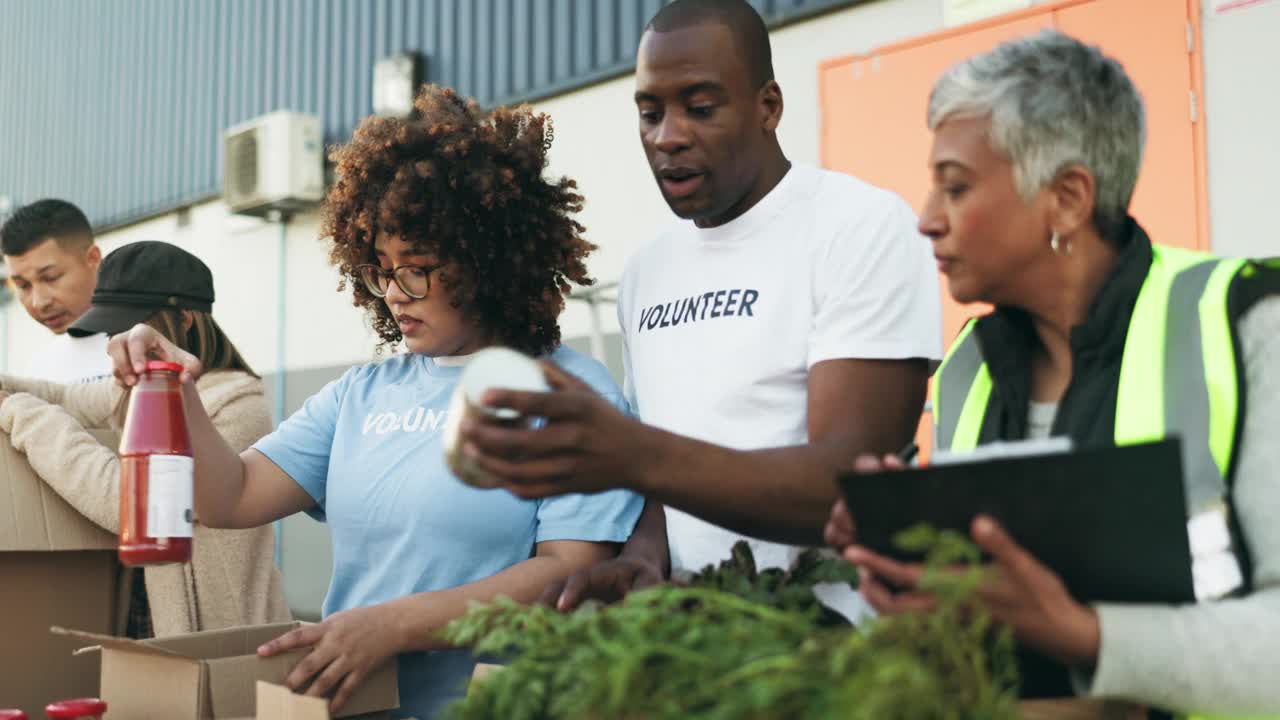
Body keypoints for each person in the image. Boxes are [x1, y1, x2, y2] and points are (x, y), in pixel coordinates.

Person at [105, 86, 644, 719]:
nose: (392, 292)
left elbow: (567, 574)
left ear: (487, 263)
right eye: (379, 268)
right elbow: (233, 496)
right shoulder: (363, 394)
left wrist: (393, 626)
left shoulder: (569, 394)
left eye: (415, 267)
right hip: (354, 706)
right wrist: (174, 382)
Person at [824, 30, 1280, 716]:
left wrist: (1085, 637)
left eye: (956, 186)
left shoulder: (1245, 324)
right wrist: (902, 568)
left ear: (1067, 198)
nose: (926, 221)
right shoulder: (966, 372)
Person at [457, 0, 942, 609]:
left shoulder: (859, 227)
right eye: (650, 112)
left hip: (838, 656)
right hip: (700, 653)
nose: (669, 136)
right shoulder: (646, 271)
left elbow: (849, 489)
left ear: (769, 106)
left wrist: (632, 455)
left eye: (701, 108)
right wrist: (643, 557)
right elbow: (671, 470)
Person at [0, 240, 290, 638]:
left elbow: (144, 508)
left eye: (131, 326)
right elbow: (65, 397)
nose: (119, 342)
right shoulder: (138, 387)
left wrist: (20, 414)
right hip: (144, 617)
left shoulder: (236, 403)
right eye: (112, 330)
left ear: (185, 319)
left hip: (224, 643)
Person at [1, 199, 111, 383]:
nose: (39, 303)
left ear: (93, 258)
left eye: (50, 277)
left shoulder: (157, 343)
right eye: (23, 285)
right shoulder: (39, 371)